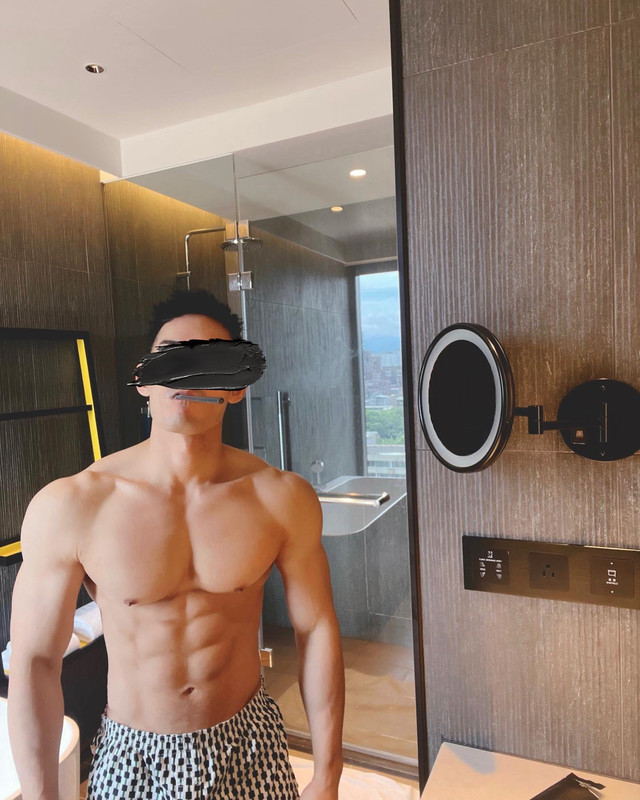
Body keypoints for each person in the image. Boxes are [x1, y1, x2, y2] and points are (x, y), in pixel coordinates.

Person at [8, 288, 345, 800]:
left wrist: (328, 773)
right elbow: (35, 662)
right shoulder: (72, 505)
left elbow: (316, 628)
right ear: (144, 379)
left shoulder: (281, 498)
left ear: (235, 387)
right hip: (133, 756)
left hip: (250, 744)